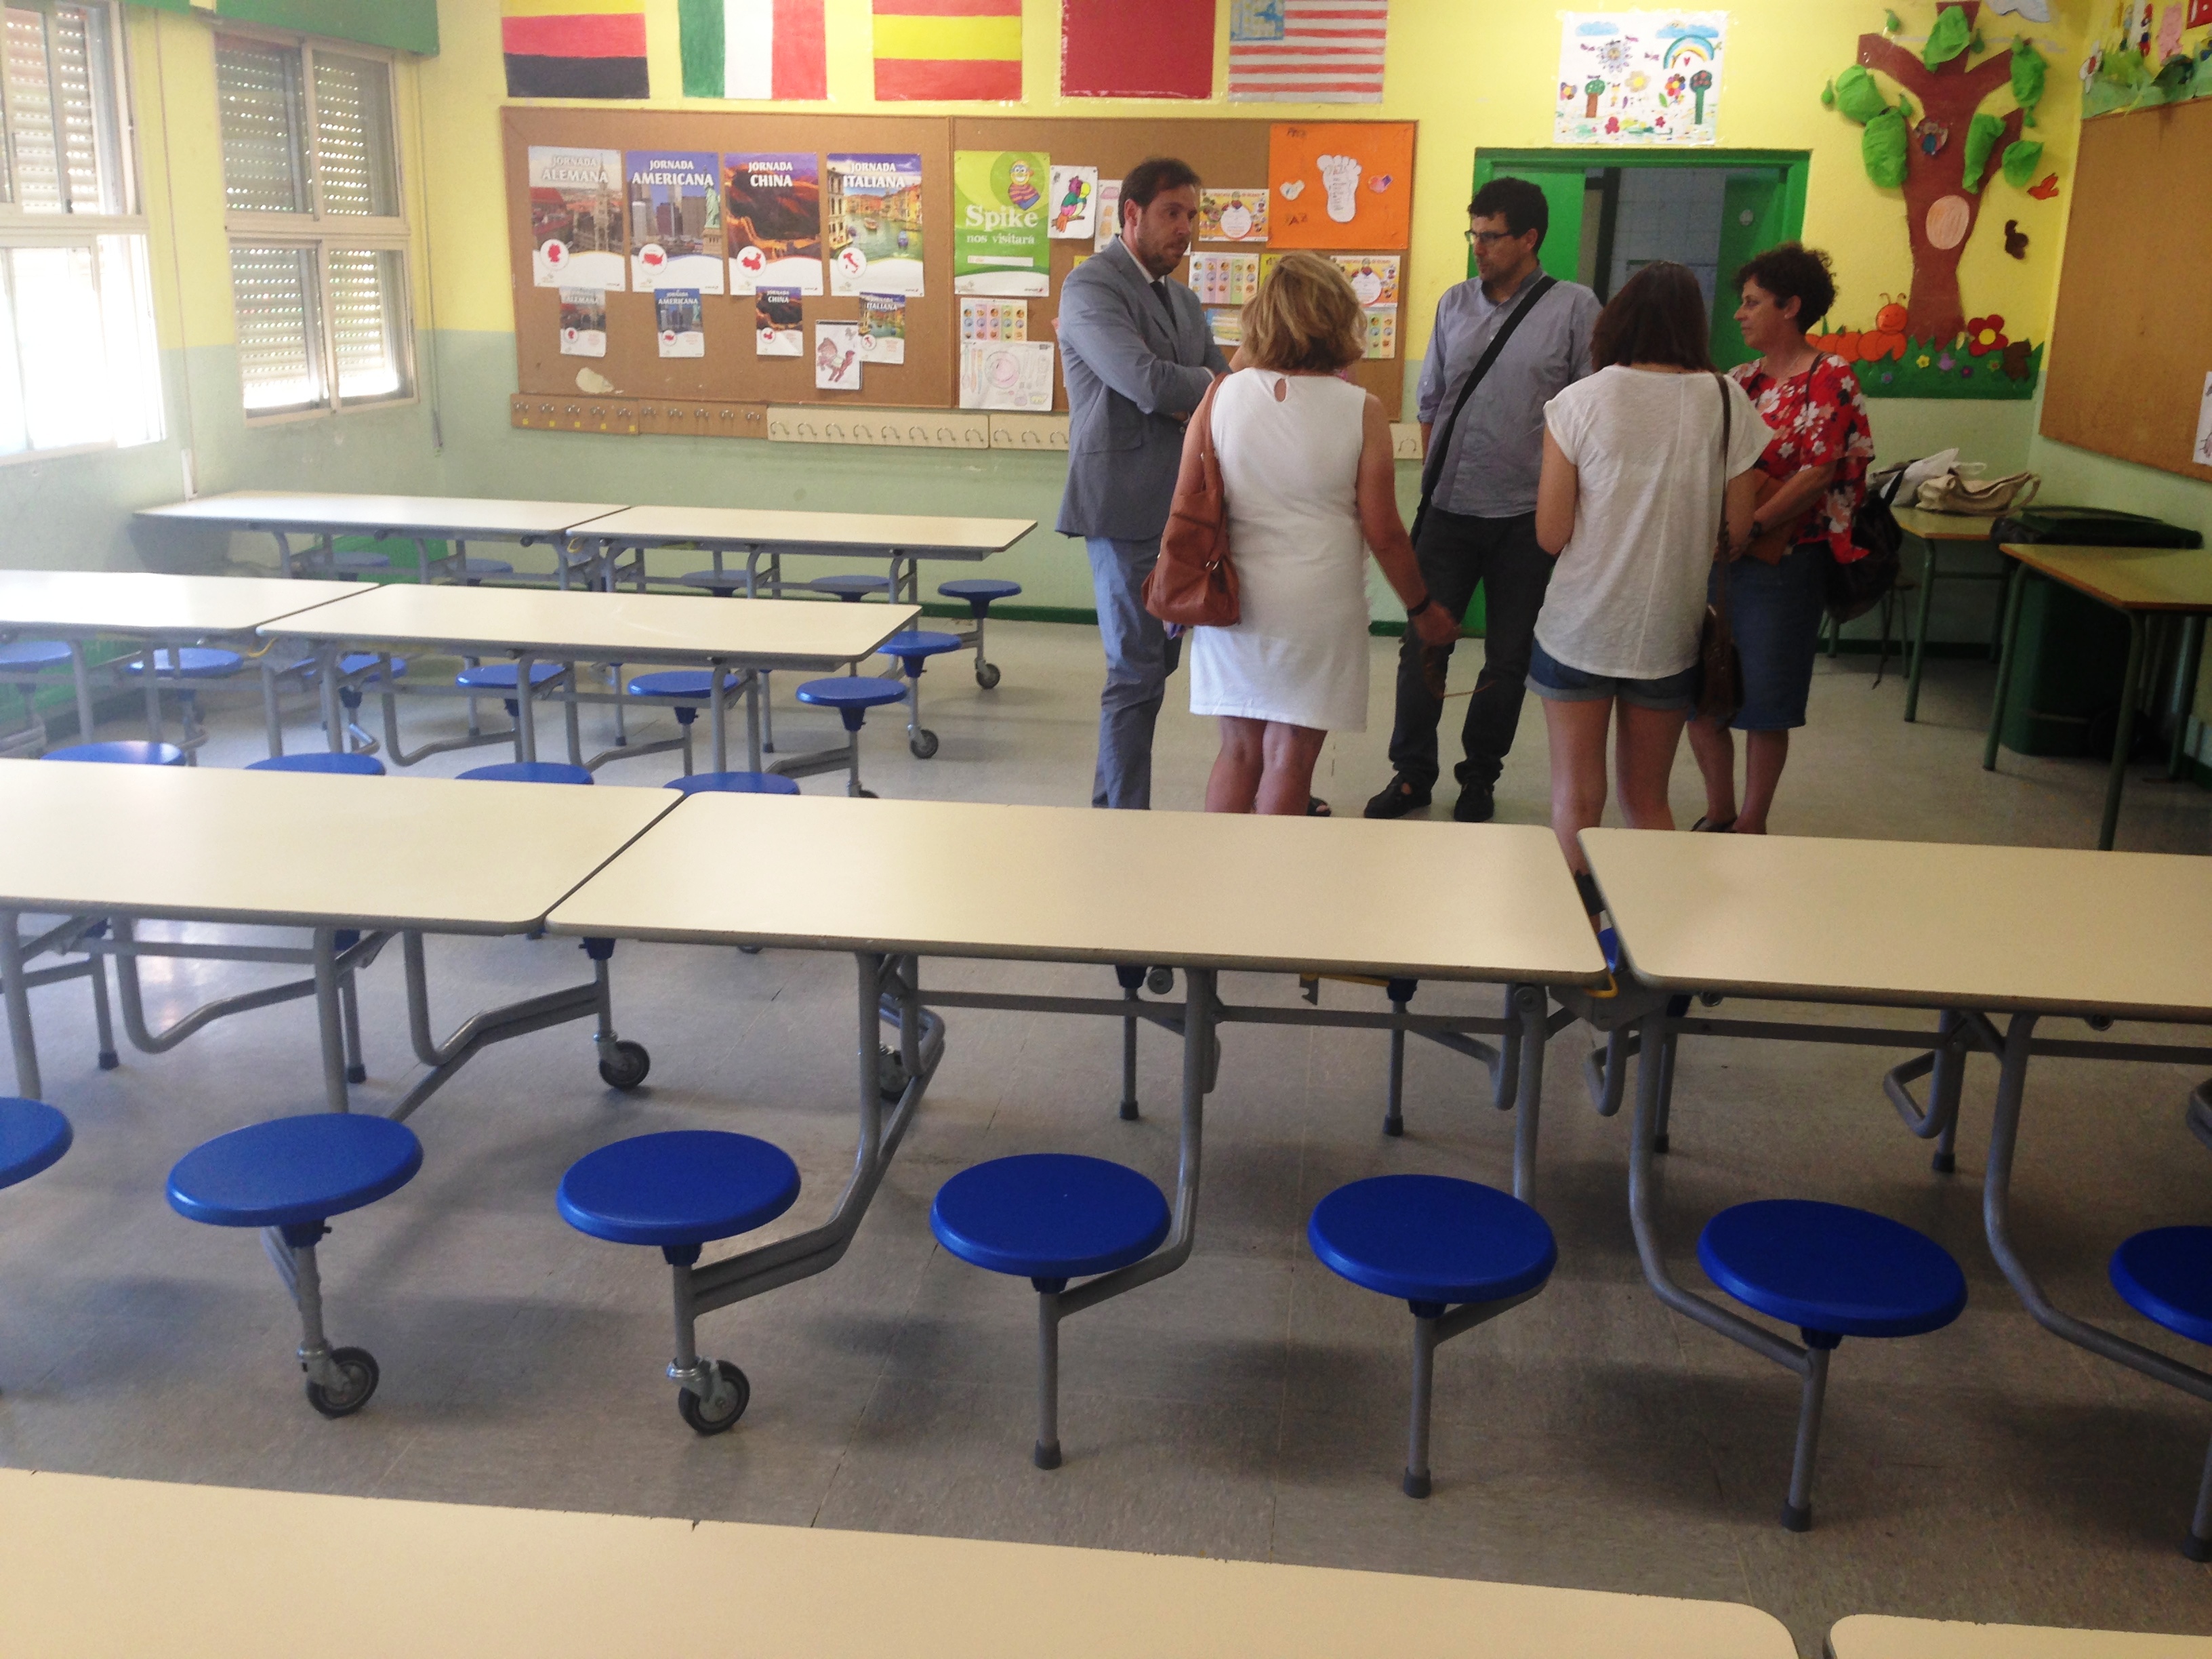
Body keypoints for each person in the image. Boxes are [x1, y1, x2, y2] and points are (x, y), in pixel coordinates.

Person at [1186, 254, 1458, 814]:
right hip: (1320, 605)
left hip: (1232, 599)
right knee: (1290, 757)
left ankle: (1214, 865)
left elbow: (1189, 497)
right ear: (1340, 320)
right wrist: (1422, 608)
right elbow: (1384, 532)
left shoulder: (1219, 398)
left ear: (1261, 317)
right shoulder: (1361, 410)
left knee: (1238, 751)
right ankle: (1278, 870)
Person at [1368, 176, 1601, 824]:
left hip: (1526, 518)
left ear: (1529, 238)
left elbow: (1588, 414)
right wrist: (1435, 478)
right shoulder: (1453, 304)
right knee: (1422, 644)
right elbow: (1431, 403)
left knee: (1508, 655)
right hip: (1448, 510)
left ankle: (1479, 776)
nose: (1479, 247)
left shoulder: (1575, 308)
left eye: (1492, 236)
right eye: (1473, 234)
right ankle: (1412, 774)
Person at [1530, 262, 1769, 875]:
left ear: (1618, 321)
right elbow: (1738, 529)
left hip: (1579, 629)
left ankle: (1581, 927)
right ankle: (1646, 926)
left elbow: (1551, 534)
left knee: (1576, 797)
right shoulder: (1728, 400)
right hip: (1668, 632)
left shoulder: (1578, 402)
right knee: (1647, 798)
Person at [1057, 157, 1231, 811]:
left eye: (1192, 215)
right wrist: (1204, 388)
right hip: (1122, 503)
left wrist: (1201, 390)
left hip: (1184, 507)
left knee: (1155, 668)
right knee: (1134, 672)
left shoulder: (1183, 300)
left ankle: (1111, 805)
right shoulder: (1091, 287)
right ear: (1131, 214)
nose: (1186, 228)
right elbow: (1147, 383)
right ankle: (1124, 820)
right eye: (1171, 213)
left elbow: (1219, 384)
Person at [1686, 243, 1873, 836]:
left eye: (1752, 303)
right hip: (1723, 558)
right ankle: (1719, 810)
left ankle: (1751, 821)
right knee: (1704, 687)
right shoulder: (1739, 380)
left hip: (1787, 564)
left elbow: (1819, 472)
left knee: (1767, 699)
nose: (1738, 314)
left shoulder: (1831, 375)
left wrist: (1755, 526)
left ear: (1791, 307)